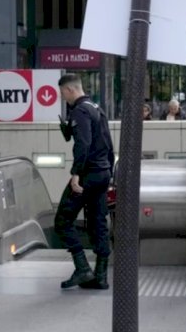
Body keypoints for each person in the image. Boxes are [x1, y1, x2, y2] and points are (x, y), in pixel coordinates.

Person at [54, 73, 115, 290]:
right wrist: (109, 173)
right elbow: (108, 144)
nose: (64, 98)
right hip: (103, 173)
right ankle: (100, 276)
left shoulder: (80, 111)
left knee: (62, 220)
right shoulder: (97, 108)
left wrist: (76, 172)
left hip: (87, 175)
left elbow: (83, 143)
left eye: (63, 93)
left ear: (70, 90)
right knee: (99, 223)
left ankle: (82, 268)